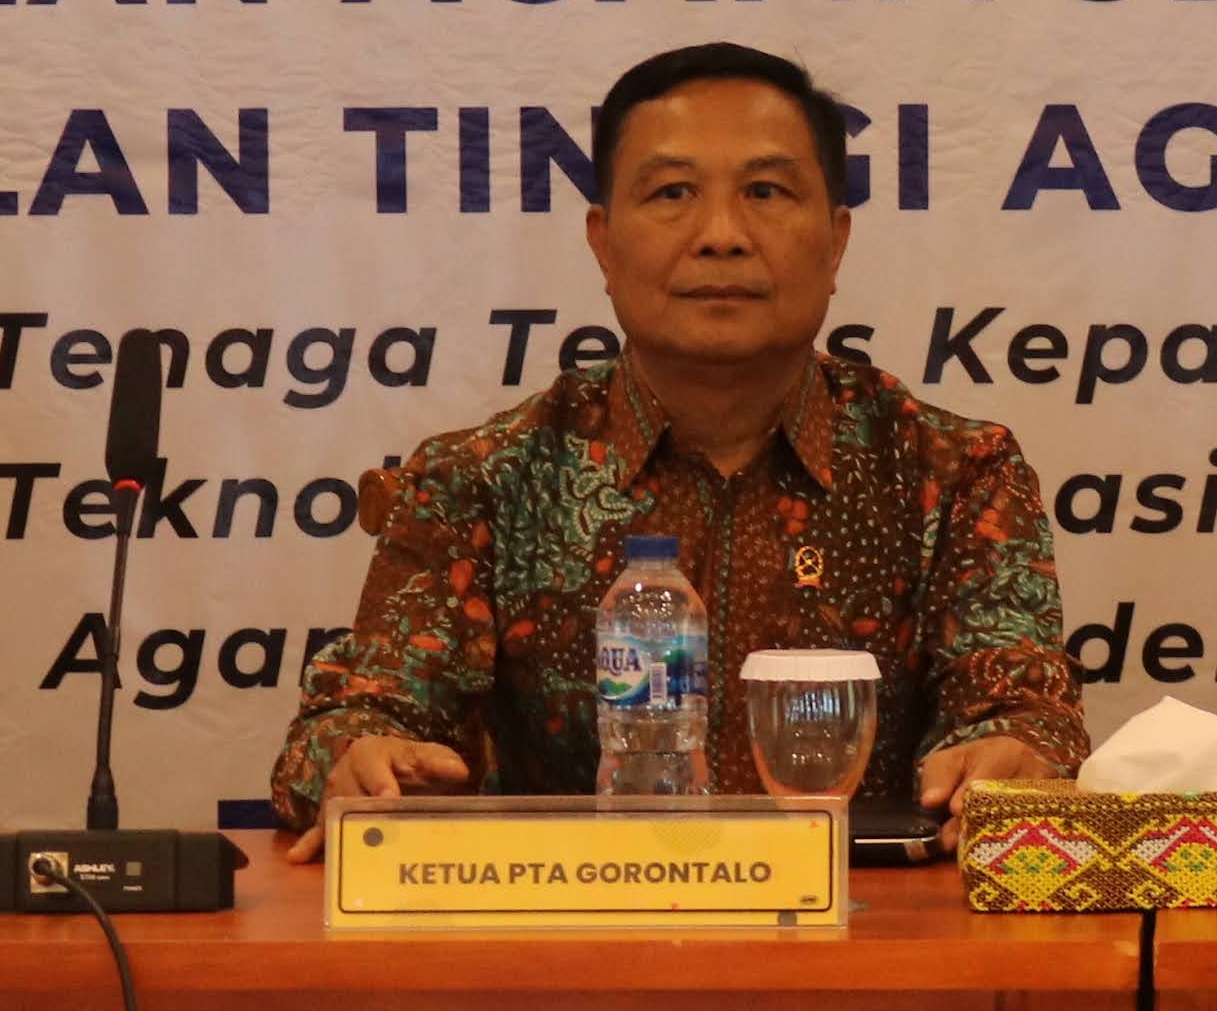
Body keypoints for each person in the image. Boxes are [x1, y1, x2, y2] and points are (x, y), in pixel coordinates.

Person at [272, 42, 1087, 849]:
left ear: (836, 241)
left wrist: (1016, 754)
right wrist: (360, 758)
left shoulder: (954, 472)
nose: (722, 235)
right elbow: (349, 726)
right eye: (672, 192)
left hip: (867, 921)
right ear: (603, 241)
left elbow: (1024, 711)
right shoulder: (484, 480)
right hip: (570, 921)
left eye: (765, 191)